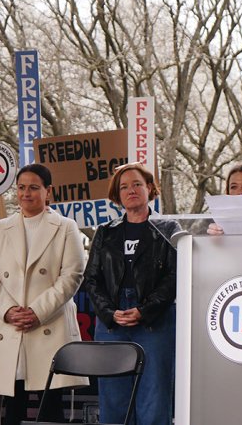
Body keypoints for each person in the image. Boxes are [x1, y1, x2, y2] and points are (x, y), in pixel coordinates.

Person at [0, 163, 88, 425]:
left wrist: (37, 312)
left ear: (48, 191)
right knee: (12, 407)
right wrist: (8, 310)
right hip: (10, 325)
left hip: (50, 323)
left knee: (51, 407)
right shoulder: (0, 228)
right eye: (22, 187)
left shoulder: (66, 226)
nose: (26, 194)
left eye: (34, 188)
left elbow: (72, 275)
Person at [84, 162, 179, 425]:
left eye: (137, 184)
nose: (131, 190)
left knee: (154, 397)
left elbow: (175, 276)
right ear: (117, 195)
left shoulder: (169, 228)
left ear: (149, 187)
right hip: (112, 322)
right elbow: (91, 280)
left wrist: (145, 310)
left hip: (154, 321)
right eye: (123, 187)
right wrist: (109, 313)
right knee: (113, 399)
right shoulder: (105, 232)